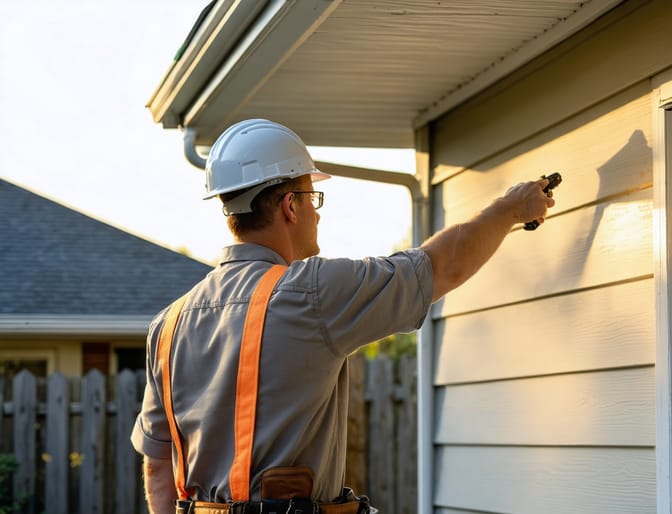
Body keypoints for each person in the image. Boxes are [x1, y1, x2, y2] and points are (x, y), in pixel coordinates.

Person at [131, 119, 555, 514]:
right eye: (312, 198)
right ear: (290, 207)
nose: (317, 212)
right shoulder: (310, 292)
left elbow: (157, 467)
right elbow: (441, 267)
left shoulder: (168, 325)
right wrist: (510, 209)